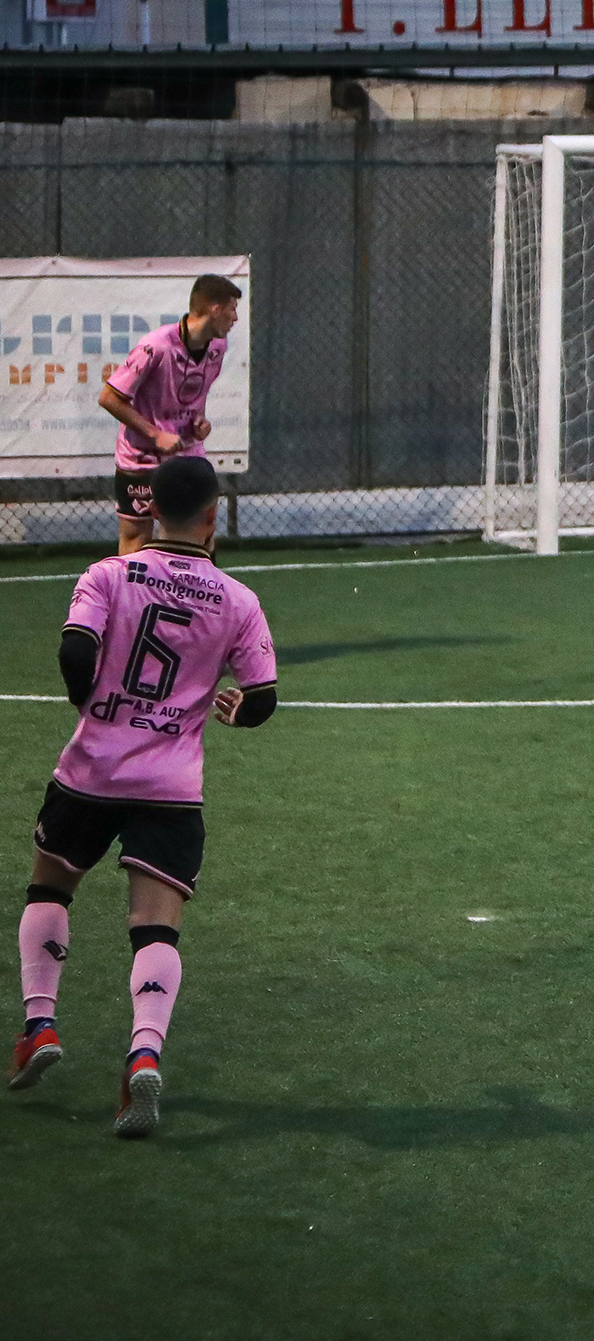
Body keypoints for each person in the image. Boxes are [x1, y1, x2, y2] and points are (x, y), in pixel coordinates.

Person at [9, 456, 278, 1136]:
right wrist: (234, 710)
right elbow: (264, 699)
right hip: (171, 787)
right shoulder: (238, 600)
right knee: (155, 927)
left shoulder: (107, 574)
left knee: (51, 888)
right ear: (214, 516)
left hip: (91, 771)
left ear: (148, 506)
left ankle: (40, 1025)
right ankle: (143, 1053)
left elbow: (76, 655)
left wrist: (92, 707)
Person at [98, 274, 241, 557]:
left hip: (188, 456)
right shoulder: (157, 346)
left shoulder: (217, 347)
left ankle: (200, 599)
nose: (235, 318)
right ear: (214, 309)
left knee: (202, 536)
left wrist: (199, 421)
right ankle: (133, 599)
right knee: (136, 537)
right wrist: (155, 434)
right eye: (232, 308)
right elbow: (109, 398)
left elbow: (196, 395)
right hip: (142, 457)